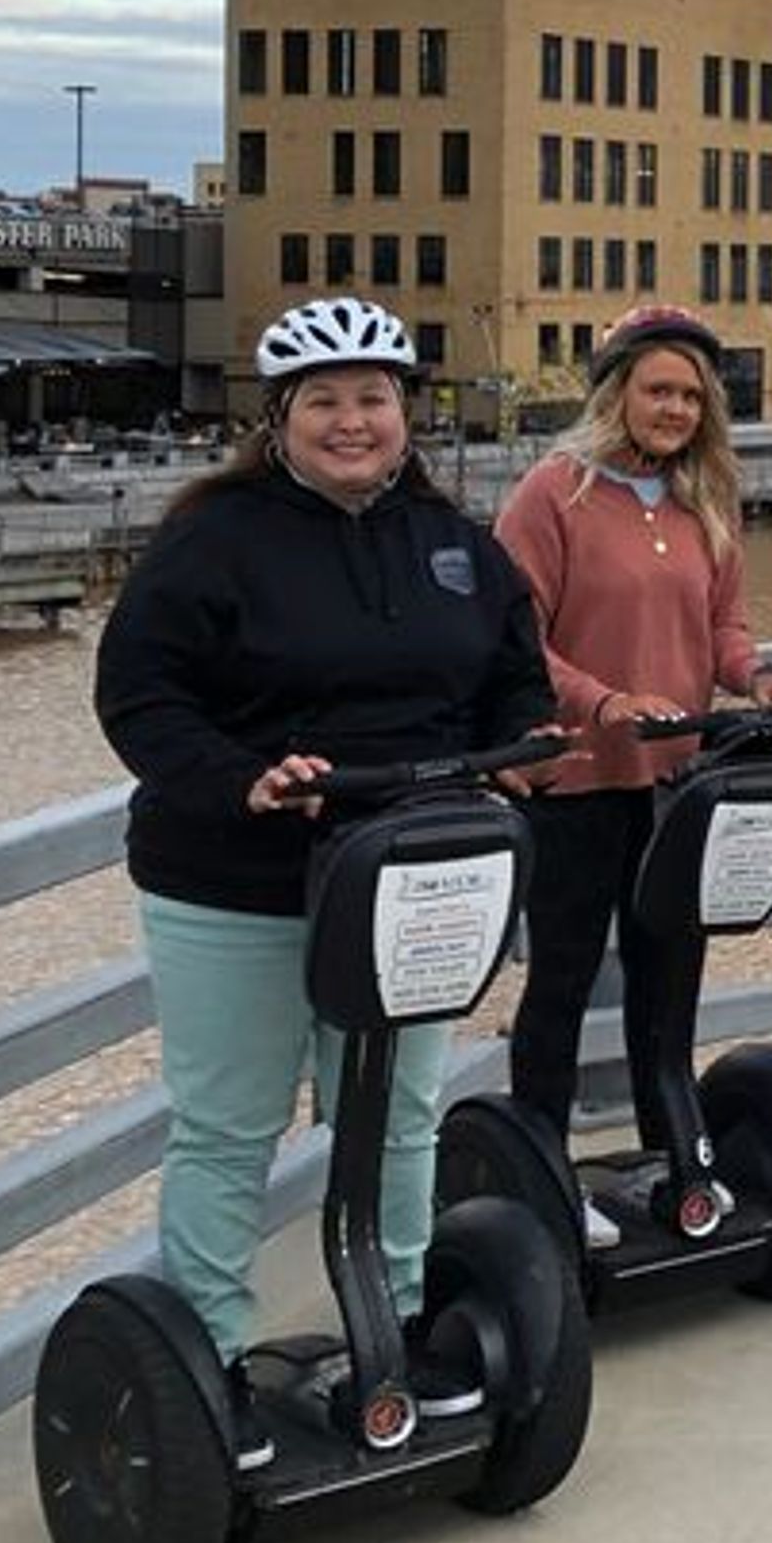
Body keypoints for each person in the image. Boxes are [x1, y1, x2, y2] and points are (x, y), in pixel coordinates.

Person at [93, 298, 559, 1462]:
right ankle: (211, 1365)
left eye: (375, 399)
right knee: (230, 1125)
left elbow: (513, 673)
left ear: (407, 410)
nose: (354, 423)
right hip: (236, 879)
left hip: (405, 876)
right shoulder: (216, 539)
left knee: (396, 1118)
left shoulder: (451, 541)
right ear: (282, 419)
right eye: (326, 403)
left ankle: (389, 1329)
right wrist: (243, 779)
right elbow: (141, 695)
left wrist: (519, 753)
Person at [493, 304, 772, 1245]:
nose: (674, 409)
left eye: (690, 395)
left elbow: (723, 627)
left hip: (678, 784)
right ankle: (541, 1171)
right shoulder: (553, 494)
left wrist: (758, 676)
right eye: (658, 390)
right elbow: (517, 639)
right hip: (578, 781)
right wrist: (600, 703)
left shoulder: (705, 499)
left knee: (667, 980)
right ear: (617, 393)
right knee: (558, 983)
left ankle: (666, 1157)